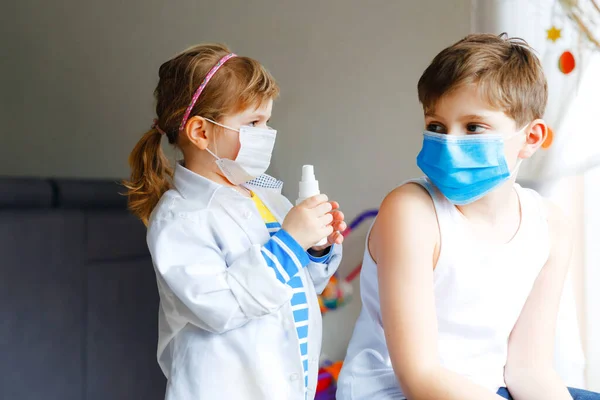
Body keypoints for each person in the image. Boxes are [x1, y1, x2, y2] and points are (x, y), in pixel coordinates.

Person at [337, 33, 599, 400]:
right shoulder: (411, 211)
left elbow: (530, 370)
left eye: (474, 127)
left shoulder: (550, 226)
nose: (450, 142)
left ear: (532, 137)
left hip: (488, 390)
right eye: (436, 127)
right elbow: (420, 376)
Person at [124, 43, 345, 400]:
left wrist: (316, 247)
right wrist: (290, 242)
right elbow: (222, 306)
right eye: (254, 123)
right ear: (200, 132)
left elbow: (298, 284)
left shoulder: (267, 197)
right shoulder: (180, 217)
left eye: (268, 121)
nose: (267, 133)